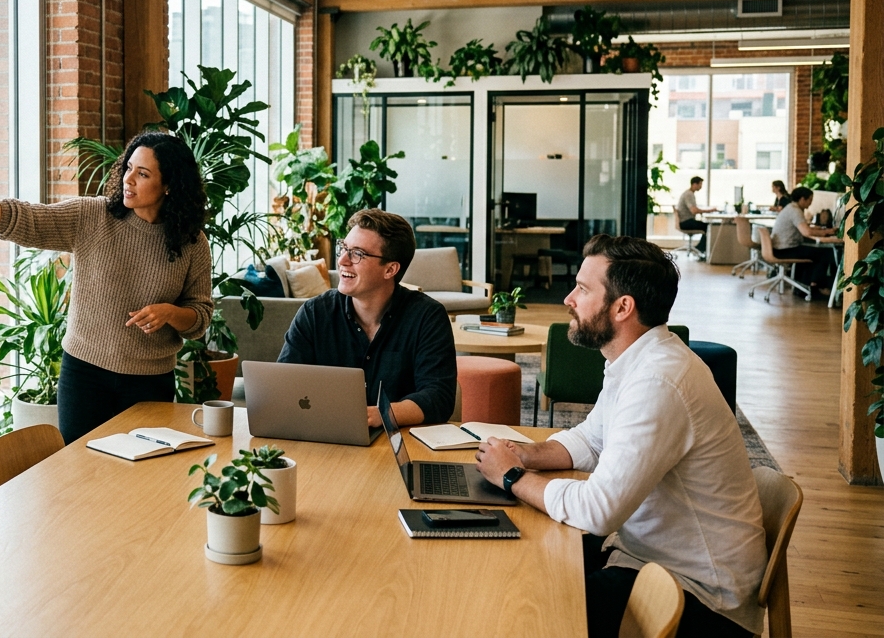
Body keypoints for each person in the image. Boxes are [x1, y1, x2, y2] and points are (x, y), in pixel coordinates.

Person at [474, 235, 766, 638]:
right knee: (521, 558)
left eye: (582, 289)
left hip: (698, 596)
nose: (568, 299)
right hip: (648, 558)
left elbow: (599, 511)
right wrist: (524, 455)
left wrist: (512, 478)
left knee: (525, 606)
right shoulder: (635, 359)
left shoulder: (658, 381)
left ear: (622, 307)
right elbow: (593, 440)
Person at [0, 131, 213, 443]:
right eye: (128, 168)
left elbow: (199, 318)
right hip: (85, 377)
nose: (128, 180)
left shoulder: (192, 243)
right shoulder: (94, 216)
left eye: (142, 174)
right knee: (79, 474)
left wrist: (171, 313)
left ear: (170, 185)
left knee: (143, 478)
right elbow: (25, 218)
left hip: (150, 383)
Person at [276, 209, 456, 427]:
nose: (342, 260)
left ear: (390, 269)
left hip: (399, 444)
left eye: (357, 254)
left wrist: (382, 414)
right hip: (325, 438)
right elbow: (284, 384)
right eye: (344, 248)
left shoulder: (427, 317)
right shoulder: (315, 313)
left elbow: (439, 397)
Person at [771, 186, 836, 298]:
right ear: (802, 199)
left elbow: (804, 228)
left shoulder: (790, 208)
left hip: (780, 248)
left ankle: (803, 287)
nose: (810, 203)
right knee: (826, 253)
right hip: (785, 250)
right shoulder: (795, 211)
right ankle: (816, 287)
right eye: (810, 199)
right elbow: (806, 232)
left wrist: (821, 230)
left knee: (811, 252)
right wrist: (827, 232)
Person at [675, 176, 715, 255]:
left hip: (685, 221)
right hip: (685, 222)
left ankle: (700, 248)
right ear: (694, 184)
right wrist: (709, 211)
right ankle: (700, 249)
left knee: (707, 226)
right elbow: (694, 211)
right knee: (709, 226)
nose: (701, 186)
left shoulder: (688, 193)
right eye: (700, 184)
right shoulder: (689, 194)